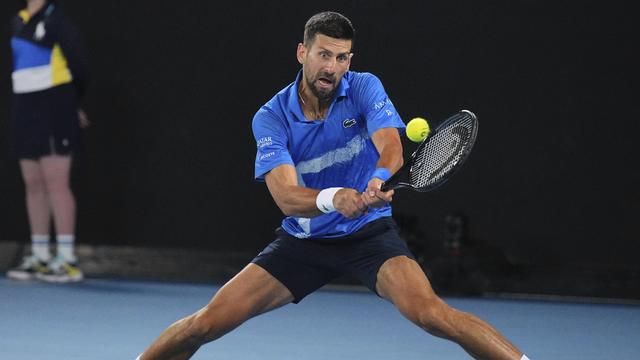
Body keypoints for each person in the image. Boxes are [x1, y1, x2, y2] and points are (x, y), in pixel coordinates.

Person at [137, 11, 530, 360]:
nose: (332, 66)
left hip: (368, 235)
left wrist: (377, 178)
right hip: (303, 243)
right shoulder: (271, 117)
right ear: (301, 53)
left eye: (342, 57)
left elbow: (391, 147)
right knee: (206, 325)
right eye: (323, 54)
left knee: (432, 315)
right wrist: (333, 198)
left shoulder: (362, 86)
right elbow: (287, 198)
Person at [6, 0, 88, 283]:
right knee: (33, 182)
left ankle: (67, 259)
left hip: (55, 106)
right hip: (25, 108)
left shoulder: (57, 21)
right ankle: (40, 256)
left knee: (56, 183)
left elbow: (79, 65)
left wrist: (71, 105)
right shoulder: (17, 21)